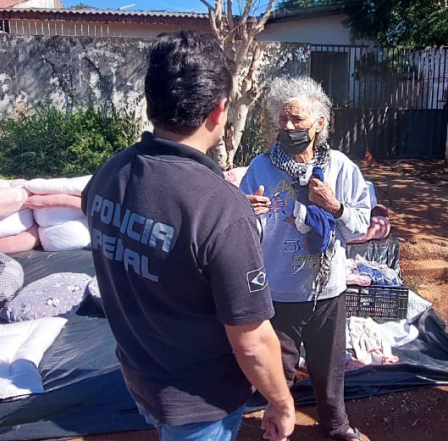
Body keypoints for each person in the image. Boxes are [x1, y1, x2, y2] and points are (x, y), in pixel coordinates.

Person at [81, 31, 294, 441]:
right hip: (200, 403)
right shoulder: (219, 207)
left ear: (151, 103)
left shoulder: (110, 173)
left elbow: (143, 232)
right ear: (220, 111)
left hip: (139, 375)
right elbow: (251, 341)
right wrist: (282, 403)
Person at [240, 75, 373, 441]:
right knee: (276, 371)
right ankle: (275, 429)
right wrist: (245, 212)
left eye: (297, 120)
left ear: (320, 124)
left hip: (328, 291)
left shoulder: (342, 168)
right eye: (283, 119)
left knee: (329, 369)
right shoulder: (261, 168)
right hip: (278, 292)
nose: (288, 126)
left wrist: (334, 206)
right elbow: (239, 232)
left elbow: (358, 228)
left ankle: (336, 426)